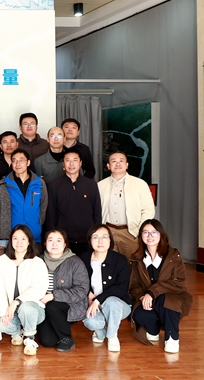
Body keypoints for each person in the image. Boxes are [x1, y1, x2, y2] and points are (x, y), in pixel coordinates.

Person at [128, 219, 191, 353]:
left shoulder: (173, 255)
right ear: (141, 236)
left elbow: (178, 282)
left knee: (166, 300)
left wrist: (152, 292)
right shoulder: (136, 258)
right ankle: (153, 329)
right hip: (148, 299)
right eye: (145, 232)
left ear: (161, 234)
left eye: (154, 232)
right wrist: (142, 297)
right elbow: (133, 285)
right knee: (138, 313)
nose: (150, 236)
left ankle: (172, 337)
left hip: (173, 297)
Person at [0, 225, 49, 356]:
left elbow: (39, 289)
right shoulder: (2, 261)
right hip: (11, 310)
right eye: (15, 238)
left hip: (33, 310)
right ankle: (17, 332)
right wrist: (4, 311)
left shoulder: (37, 262)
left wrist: (16, 302)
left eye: (23, 239)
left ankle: (29, 338)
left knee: (26, 307)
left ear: (29, 241)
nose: (19, 242)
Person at [79, 225, 132, 352]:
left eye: (104, 237)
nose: (100, 241)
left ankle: (112, 336)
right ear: (90, 240)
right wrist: (88, 294)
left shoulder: (120, 260)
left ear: (110, 240)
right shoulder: (83, 258)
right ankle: (100, 332)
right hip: (91, 303)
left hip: (119, 305)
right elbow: (78, 281)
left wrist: (97, 300)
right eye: (95, 237)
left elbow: (121, 287)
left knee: (112, 302)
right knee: (91, 321)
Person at [37, 229, 89, 352]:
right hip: (43, 306)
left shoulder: (75, 262)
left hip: (70, 306)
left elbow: (82, 290)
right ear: (45, 243)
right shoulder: (38, 261)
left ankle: (66, 338)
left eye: (59, 240)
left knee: (53, 306)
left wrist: (53, 296)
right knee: (47, 341)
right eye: (50, 240)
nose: (54, 244)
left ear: (65, 244)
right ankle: (56, 328)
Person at [98, 151, 155, 256]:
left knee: (132, 263)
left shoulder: (140, 184)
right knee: (108, 262)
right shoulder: (100, 185)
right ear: (108, 166)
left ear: (127, 165)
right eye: (114, 161)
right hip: (107, 231)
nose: (118, 164)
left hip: (131, 232)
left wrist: (139, 230)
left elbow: (148, 209)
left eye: (121, 161)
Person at [46, 148, 102, 255]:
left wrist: (96, 235)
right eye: (68, 160)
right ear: (63, 164)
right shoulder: (54, 185)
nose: (71, 164)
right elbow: (51, 214)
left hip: (87, 238)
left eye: (75, 160)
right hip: (63, 239)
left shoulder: (91, 185)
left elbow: (97, 212)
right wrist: (52, 236)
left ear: (80, 163)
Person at [3, 149, 47, 252]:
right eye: (14, 160)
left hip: (34, 235)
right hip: (13, 237)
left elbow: (44, 207)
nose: (18, 164)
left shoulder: (39, 183)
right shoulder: (4, 184)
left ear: (28, 162)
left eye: (21, 160)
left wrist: (38, 223)